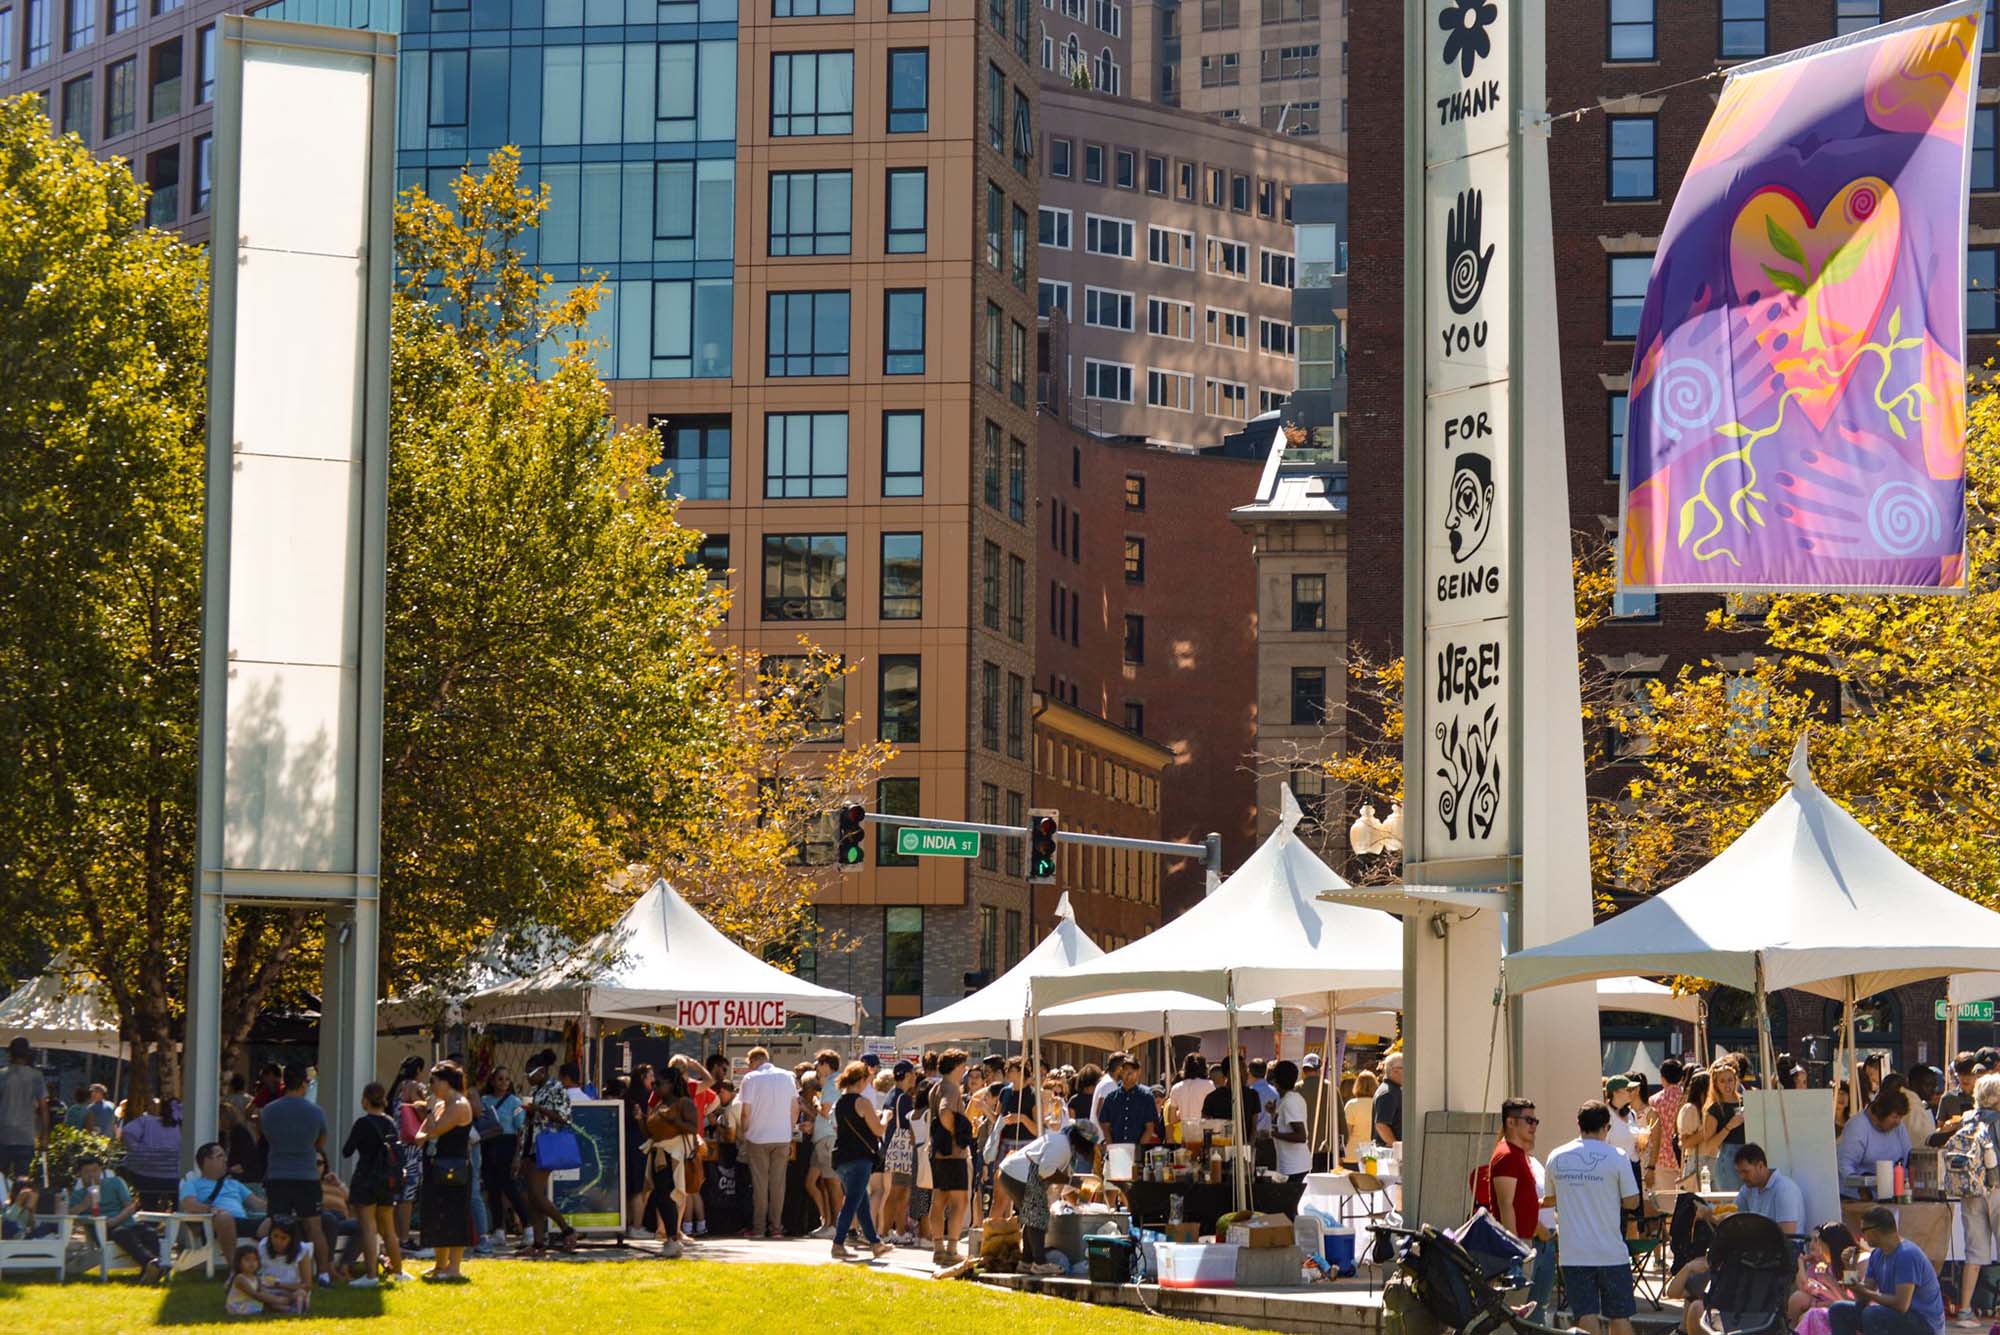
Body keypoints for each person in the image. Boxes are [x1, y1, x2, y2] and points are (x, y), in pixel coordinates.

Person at [1546, 1101, 1641, 1335]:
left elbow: (1551, 1199)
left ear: (1578, 1125)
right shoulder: (1617, 1156)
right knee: (1620, 1316)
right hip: (1611, 1251)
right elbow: (1632, 1202)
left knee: (1585, 1316)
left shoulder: (1556, 1156)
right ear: (1606, 1127)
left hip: (1573, 1253)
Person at [258, 1062, 331, 1286]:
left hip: (278, 1174)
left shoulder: (269, 1110)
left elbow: (267, 1137)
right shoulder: (315, 1111)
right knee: (314, 1226)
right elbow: (320, 1142)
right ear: (303, 1084)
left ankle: (271, 1270)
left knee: (275, 1224)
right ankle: (324, 1274)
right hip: (306, 1176)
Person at [997, 1120, 1101, 1268]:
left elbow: (1054, 1178)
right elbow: (1046, 1171)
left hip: (1013, 1173)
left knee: (1031, 1218)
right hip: (1020, 1175)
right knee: (1038, 1217)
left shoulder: (1063, 1143)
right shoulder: (1062, 1146)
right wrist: (1072, 1181)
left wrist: (1073, 1185)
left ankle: (1026, 1261)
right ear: (1083, 1141)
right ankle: (1040, 1263)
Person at [1829, 1204, 1945, 1335]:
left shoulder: (1907, 1254)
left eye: (1863, 1230)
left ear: (1875, 1232)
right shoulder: (1876, 1255)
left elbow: (1901, 1305)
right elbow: (1862, 1299)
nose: (1861, 1236)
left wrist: (1864, 1291)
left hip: (1924, 1324)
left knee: (1872, 1314)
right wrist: (1849, 1267)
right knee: (1838, 1310)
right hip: (1897, 1317)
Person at [341, 1081, 406, 1286]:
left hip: (366, 1179)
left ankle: (371, 1276)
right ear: (384, 1101)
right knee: (389, 1229)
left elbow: (347, 1151)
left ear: (365, 1101)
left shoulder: (362, 1124)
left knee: (369, 1228)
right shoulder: (390, 1123)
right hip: (387, 1181)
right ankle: (398, 1272)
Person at [828, 1061, 893, 1261]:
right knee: (852, 1203)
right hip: (860, 1158)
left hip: (842, 1158)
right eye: (868, 1079)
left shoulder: (840, 1103)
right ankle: (838, 1243)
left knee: (861, 1203)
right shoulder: (862, 1102)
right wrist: (886, 1117)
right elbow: (878, 1130)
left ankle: (875, 1243)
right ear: (862, 1079)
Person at [415, 1060, 473, 1281]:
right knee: (435, 1213)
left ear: (446, 1081)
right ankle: (440, 1264)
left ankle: (454, 1268)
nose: (429, 1085)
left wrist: (428, 1114)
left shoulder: (459, 1104)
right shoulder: (440, 1105)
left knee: (454, 1215)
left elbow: (435, 1131)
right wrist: (429, 1124)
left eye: (433, 1080)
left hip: (455, 1168)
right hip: (435, 1166)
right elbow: (419, 1137)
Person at [519, 1051, 580, 1255]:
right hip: (530, 1144)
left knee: (537, 1194)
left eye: (530, 1072)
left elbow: (564, 1118)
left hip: (544, 1145)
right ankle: (538, 1243)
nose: (527, 1077)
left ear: (543, 1071)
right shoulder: (538, 1089)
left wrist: (538, 1109)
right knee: (531, 1197)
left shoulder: (556, 1088)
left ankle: (566, 1229)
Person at [67, 1153, 161, 1282]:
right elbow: (69, 1216)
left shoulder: (115, 1183)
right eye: (86, 1172)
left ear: (101, 1170)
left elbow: (130, 1207)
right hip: (102, 1230)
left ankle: (150, 1270)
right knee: (122, 1233)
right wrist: (84, 1205)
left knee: (149, 1232)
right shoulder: (78, 1195)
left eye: (95, 1170)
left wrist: (116, 1220)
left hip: (126, 1223)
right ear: (79, 1174)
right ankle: (152, 1264)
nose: (91, 1175)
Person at [737, 1045, 798, 1241]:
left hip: (757, 1136)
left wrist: (744, 1130)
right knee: (778, 1184)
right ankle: (777, 1227)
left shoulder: (750, 1079)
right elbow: (795, 1108)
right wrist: (788, 1129)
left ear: (755, 1060)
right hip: (782, 1137)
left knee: (759, 1184)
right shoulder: (787, 1077)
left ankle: (759, 1228)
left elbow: (745, 1111)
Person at [641, 1063, 699, 1258]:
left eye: (659, 1083)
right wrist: (640, 1119)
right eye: (654, 1083)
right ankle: (670, 1238)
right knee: (661, 1197)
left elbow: (693, 1127)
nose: (655, 1087)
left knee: (667, 1197)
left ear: (672, 1084)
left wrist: (673, 1120)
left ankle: (673, 1239)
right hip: (659, 1155)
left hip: (673, 1157)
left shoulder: (683, 1103)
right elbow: (650, 1133)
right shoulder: (659, 1104)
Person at [179, 1140, 267, 1260]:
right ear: (206, 1160)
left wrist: (280, 1206)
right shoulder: (193, 1183)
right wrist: (211, 1209)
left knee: (276, 1221)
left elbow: (258, 1205)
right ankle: (233, 1269)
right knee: (224, 1216)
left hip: (242, 1223)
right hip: (214, 1224)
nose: (225, 1160)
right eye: (220, 1156)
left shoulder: (234, 1184)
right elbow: (189, 1204)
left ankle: (277, 1269)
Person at [927, 1049, 973, 1267]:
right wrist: (956, 1134)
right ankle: (952, 1248)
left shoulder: (936, 1087)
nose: (965, 1070)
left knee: (939, 1199)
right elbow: (946, 1112)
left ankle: (938, 1247)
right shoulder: (951, 1089)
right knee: (959, 1201)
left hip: (937, 1152)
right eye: (963, 1066)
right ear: (955, 1067)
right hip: (953, 1154)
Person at [479, 1069, 529, 1245]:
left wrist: (518, 1156)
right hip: (487, 1144)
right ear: (492, 1081)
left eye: (507, 1079)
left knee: (508, 1186)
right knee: (492, 1189)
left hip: (507, 1144)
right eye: (500, 1079)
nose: (503, 1082)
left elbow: (520, 1129)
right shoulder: (484, 1101)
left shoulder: (514, 1102)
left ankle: (527, 1227)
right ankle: (498, 1230)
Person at [1837, 1091, 1911, 1198]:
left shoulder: (1898, 1127)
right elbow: (1845, 1165)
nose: (1898, 1122)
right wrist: (1860, 1186)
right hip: (1857, 1197)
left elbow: (1908, 1157)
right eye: (1894, 1117)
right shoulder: (1857, 1126)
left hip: (1891, 1193)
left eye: (1900, 1117)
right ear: (1880, 1114)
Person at [1723, 1142, 1804, 1234]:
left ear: (1760, 1166)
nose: (1742, 1177)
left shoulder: (1784, 1189)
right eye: (1739, 1172)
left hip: (1784, 1246)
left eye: (1746, 1172)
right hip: (1759, 1245)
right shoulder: (1748, 1188)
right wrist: (1708, 1214)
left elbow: (1787, 1236)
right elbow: (1731, 1218)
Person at [1795, 1222, 1860, 1335]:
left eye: (1819, 1242)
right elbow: (1806, 1287)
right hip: (1834, 1308)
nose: (1816, 1246)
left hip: (1848, 1317)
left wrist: (1831, 1284)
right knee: (1800, 1301)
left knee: (1812, 1315)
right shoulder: (1823, 1265)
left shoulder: (1850, 1265)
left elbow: (1851, 1303)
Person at [120, 1096, 185, 1205]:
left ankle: (149, 1219)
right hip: (174, 1178)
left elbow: (127, 1132)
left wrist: (137, 1149)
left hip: (145, 1176)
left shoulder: (146, 1121)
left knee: (149, 1205)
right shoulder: (186, 1127)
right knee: (180, 1200)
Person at [881, 1061, 919, 1245]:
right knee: (899, 1192)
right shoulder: (903, 1098)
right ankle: (890, 1231)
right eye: (912, 1074)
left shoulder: (891, 1094)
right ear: (905, 1074)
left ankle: (893, 1231)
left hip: (891, 1148)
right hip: (902, 1149)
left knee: (897, 1192)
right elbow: (908, 1126)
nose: (914, 1077)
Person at [1098, 1055, 1165, 1153]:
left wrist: (1138, 1149)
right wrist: (1111, 1146)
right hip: (1116, 1150)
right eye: (1125, 1070)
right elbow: (1105, 1125)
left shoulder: (1146, 1097)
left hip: (1138, 1150)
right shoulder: (1111, 1097)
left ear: (1138, 1072)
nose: (1128, 1074)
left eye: (1132, 1071)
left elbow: (1150, 1127)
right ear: (1121, 1071)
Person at [0, 1037, 45, 1179]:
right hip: (26, 1135)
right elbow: (43, 1108)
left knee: (1, 1180)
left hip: (3, 1135)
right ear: (27, 1054)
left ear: (10, 1054)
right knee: (22, 1179)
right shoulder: (36, 1076)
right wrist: (44, 1136)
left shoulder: (2, 1075)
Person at [799, 1074, 838, 1237]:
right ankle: (826, 1221)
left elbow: (825, 1117)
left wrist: (809, 1109)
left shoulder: (823, 1098)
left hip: (824, 1140)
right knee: (814, 1183)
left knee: (827, 1184)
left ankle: (830, 1222)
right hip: (818, 1141)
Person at [256, 1215, 314, 1315]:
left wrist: (278, 1285)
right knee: (253, 1291)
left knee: (301, 1294)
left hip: (290, 1291)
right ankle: (284, 1308)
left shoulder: (302, 1251)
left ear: (292, 1239)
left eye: (284, 1238)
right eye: (275, 1236)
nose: (278, 1241)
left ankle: (277, 1306)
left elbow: (307, 1285)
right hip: (267, 1291)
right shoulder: (263, 1246)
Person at [227, 1242, 296, 1317]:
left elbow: (262, 1291)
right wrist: (277, 1300)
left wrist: (275, 1297)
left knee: (267, 1301)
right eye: (247, 1260)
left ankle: (289, 1307)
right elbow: (254, 1294)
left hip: (250, 1301)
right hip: (239, 1305)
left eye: (255, 1260)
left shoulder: (256, 1278)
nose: (252, 1263)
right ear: (238, 1262)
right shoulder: (240, 1278)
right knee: (264, 1304)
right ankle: (287, 1309)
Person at [1648, 1059, 1687, 1190]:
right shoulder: (1686, 1098)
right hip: (1683, 1156)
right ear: (1681, 1077)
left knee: (1666, 1204)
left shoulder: (1654, 1100)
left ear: (1662, 1077)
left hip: (1661, 1157)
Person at [1271, 1060, 1312, 1183]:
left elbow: (1301, 1136)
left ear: (1275, 1081)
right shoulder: (1290, 1098)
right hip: (1291, 1164)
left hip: (1293, 1166)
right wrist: (1273, 1113)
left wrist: (1273, 1134)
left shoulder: (1290, 1101)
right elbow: (1285, 1124)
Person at [1166, 1053, 1214, 1139]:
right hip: (1204, 1136)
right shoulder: (1209, 1085)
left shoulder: (1176, 1088)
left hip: (1186, 1137)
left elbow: (1171, 1119)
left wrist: (1184, 1109)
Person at [1346, 1070, 1380, 1166]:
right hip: (1372, 1154)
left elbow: (1347, 1132)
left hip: (1352, 1155)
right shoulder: (1378, 1104)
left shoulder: (1351, 1104)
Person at [1374, 1052, 1405, 1147]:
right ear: (1395, 1071)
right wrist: (1397, 1147)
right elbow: (1381, 1125)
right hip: (1388, 1154)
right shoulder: (1389, 1093)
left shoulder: (1391, 1090)